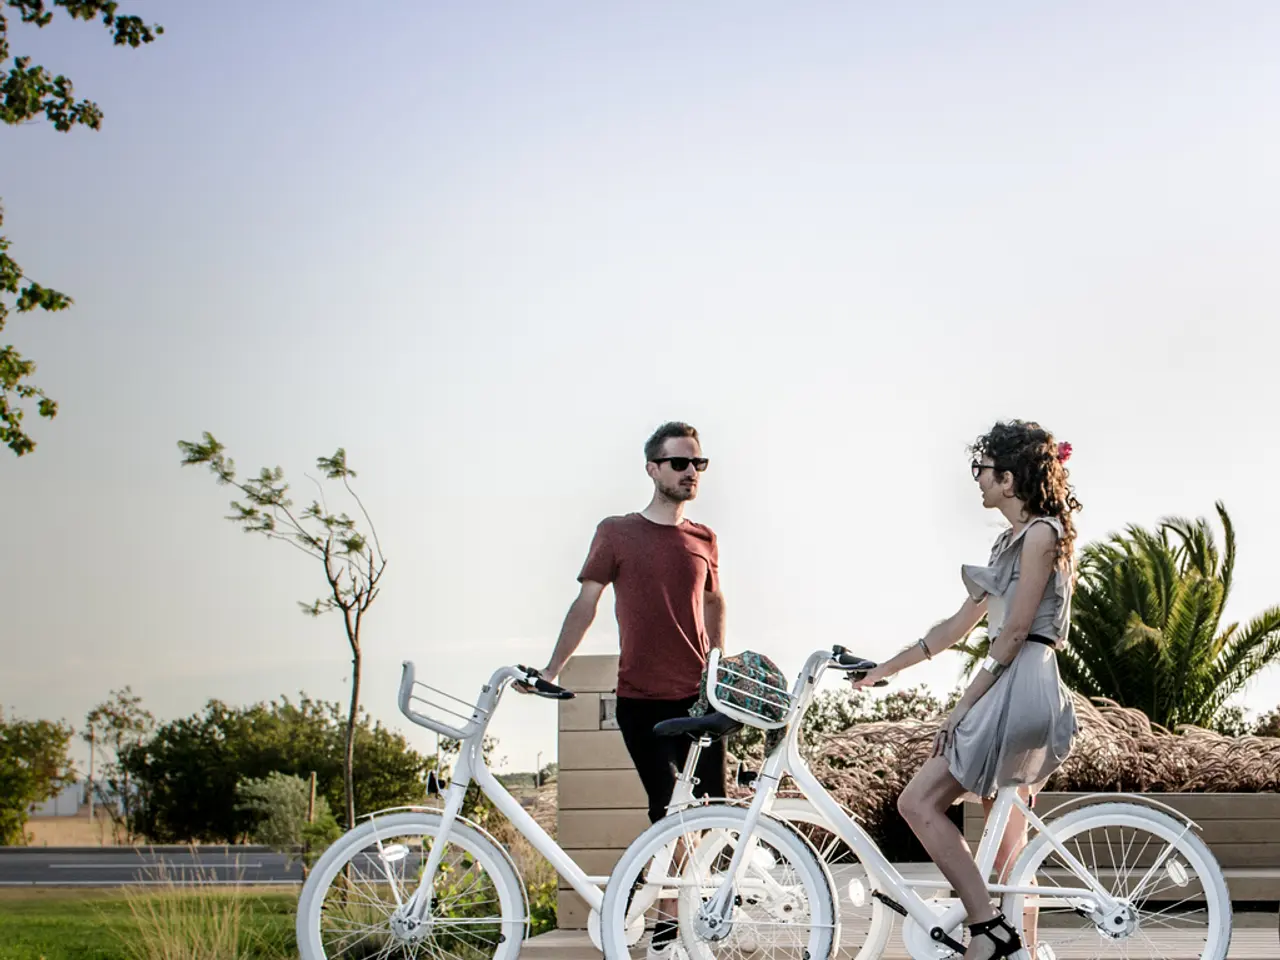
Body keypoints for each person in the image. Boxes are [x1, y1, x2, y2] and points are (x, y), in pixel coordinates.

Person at [852, 420, 1081, 960]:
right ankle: (1010, 943)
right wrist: (883, 669)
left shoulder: (1043, 534)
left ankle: (988, 931)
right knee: (1005, 850)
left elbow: (1017, 630)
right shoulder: (1010, 542)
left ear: (1008, 476)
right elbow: (952, 629)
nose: (976, 480)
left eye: (981, 469)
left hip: (1021, 681)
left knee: (918, 802)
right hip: (1016, 681)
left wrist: (962, 705)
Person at [528, 420, 727, 959]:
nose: (691, 472)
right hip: (641, 700)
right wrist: (551, 670)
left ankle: (677, 923)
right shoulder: (616, 532)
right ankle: (667, 934)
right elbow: (586, 605)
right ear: (652, 469)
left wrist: (717, 668)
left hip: (699, 700)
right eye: (680, 463)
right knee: (667, 811)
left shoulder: (704, 538)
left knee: (709, 814)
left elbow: (714, 602)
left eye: (699, 464)